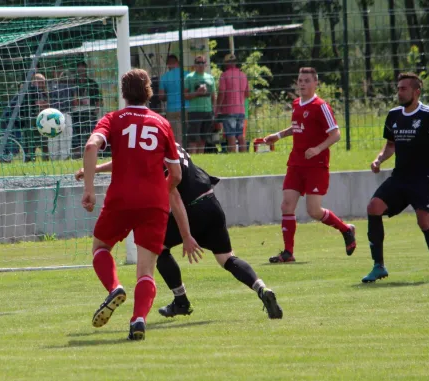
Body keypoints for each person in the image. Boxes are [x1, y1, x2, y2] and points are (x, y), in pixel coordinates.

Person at [76, 143, 283, 320]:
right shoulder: (169, 143)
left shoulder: (154, 153)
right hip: (211, 202)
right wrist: (94, 169)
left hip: (189, 208)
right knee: (227, 258)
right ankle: (261, 288)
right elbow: (129, 163)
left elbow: (173, 197)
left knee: (158, 248)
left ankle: (181, 301)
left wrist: (186, 236)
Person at [81, 68, 182, 341]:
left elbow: (91, 147)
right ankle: (138, 319)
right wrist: (160, 195)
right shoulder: (162, 124)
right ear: (148, 91)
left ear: (123, 93)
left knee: (101, 247)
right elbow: (176, 175)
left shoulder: (113, 119)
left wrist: (88, 189)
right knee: (146, 270)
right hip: (154, 203)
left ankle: (114, 287)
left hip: (121, 199)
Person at [263, 67, 356, 263]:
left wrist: (318, 149)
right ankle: (288, 253)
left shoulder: (321, 106)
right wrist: (278, 136)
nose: (302, 84)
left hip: (316, 165)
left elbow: (336, 134)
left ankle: (346, 230)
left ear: (316, 83)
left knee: (313, 211)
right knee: (287, 205)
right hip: (296, 163)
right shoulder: (297, 103)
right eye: (300, 80)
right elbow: (297, 127)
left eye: (306, 80)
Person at [362, 72, 429, 283]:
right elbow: (390, 145)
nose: (399, 92)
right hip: (400, 178)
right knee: (373, 207)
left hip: (423, 178)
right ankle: (378, 266)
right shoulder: (394, 115)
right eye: (398, 88)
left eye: (404, 88)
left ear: (417, 92)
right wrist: (379, 160)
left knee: (424, 221)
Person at [216, 54, 250, 153]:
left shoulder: (224, 75)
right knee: (240, 136)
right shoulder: (243, 75)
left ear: (226, 63)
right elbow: (247, 94)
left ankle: (233, 155)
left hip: (228, 110)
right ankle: (243, 155)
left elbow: (221, 93)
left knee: (230, 135)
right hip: (241, 110)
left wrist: (217, 108)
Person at [184, 55, 216, 154]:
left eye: (202, 63)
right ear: (194, 65)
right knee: (193, 139)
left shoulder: (210, 77)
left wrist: (213, 111)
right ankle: (192, 158)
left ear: (206, 64)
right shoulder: (189, 77)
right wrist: (197, 93)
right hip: (194, 111)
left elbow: (214, 96)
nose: (200, 65)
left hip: (207, 111)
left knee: (203, 138)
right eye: (198, 63)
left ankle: (201, 157)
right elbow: (185, 95)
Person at [71, 61, 102, 159]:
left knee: (91, 133)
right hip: (77, 113)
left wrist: (97, 108)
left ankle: (93, 152)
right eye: (79, 71)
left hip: (90, 112)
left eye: (83, 71)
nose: (81, 73)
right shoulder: (73, 83)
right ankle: (78, 154)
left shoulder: (92, 83)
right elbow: (73, 100)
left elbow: (98, 99)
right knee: (77, 134)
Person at [159, 54, 189, 144]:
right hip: (186, 107)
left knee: (176, 136)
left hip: (171, 109)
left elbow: (161, 96)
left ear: (168, 64)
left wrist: (168, 96)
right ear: (178, 63)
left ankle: (179, 153)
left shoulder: (164, 77)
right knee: (187, 133)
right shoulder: (187, 74)